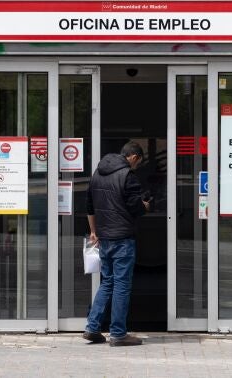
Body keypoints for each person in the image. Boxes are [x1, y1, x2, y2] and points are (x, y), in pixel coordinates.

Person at [82, 141, 151, 347]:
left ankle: (93, 328)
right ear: (134, 157)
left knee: (108, 282)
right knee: (121, 284)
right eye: (138, 163)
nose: (136, 167)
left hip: (105, 237)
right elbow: (134, 208)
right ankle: (118, 333)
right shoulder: (128, 176)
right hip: (122, 239)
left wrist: (94, 231)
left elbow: (89, 206)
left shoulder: (97, 173)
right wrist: (145, 206)